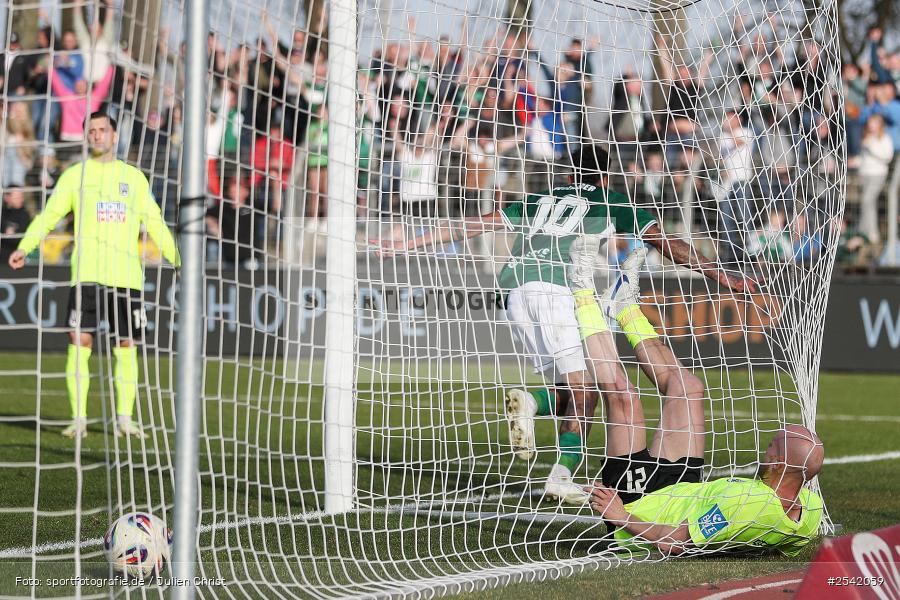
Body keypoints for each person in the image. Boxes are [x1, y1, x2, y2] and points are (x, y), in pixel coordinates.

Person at [371, 145, 755, 502]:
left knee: (574, 392)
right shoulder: (610, 200)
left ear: (570, 175)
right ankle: (556, 465)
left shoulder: (542, 199)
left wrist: (409, 242)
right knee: (588, 390)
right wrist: (724, 277)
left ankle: (537, 412)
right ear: (605, 177)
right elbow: (667, 242)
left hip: (514, 293)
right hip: (556, 291)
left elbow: (477, 224)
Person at [7, 111, 181, 439]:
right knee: (79, 341)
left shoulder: (135, 179)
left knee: (126, 345)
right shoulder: (75, 176)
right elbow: (49, 215)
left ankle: (124, 419)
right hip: (86, 275)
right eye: (92, 131)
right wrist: (25, 245)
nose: (97, 135)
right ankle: (80, 419)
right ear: (87, 137)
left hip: (126, 278)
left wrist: (177, 258)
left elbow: (155, 223)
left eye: (103, 130)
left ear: (114, 136)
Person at [588, 423, 825, 557]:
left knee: (623, 395)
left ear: (777, 464)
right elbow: (777, 550)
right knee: (687, 388)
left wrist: (620, 515)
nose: (766, 448)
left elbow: (672, 542)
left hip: (641, 508)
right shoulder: (811, 513)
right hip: (682, 489)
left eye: (771, 445)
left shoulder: (746, 502)